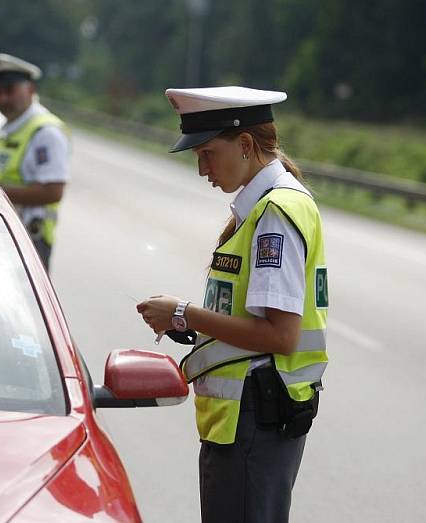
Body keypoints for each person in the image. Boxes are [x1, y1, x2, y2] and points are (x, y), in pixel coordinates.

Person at [136, 86, 329, 523]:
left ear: (245, 145)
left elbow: (280, 335)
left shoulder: (276, 213)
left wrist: (182, 312)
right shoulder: (263, 206)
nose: (202, 168)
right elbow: (249, 319)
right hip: (249, 420)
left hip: (255, 420)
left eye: (207, 153)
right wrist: (192, 324)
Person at [0, 53, 71, 270]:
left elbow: (52, 191)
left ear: (30, 89)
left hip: (28, 240)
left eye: (9, 90)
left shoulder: (45, 132)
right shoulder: (4, 131)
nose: (2, 99)